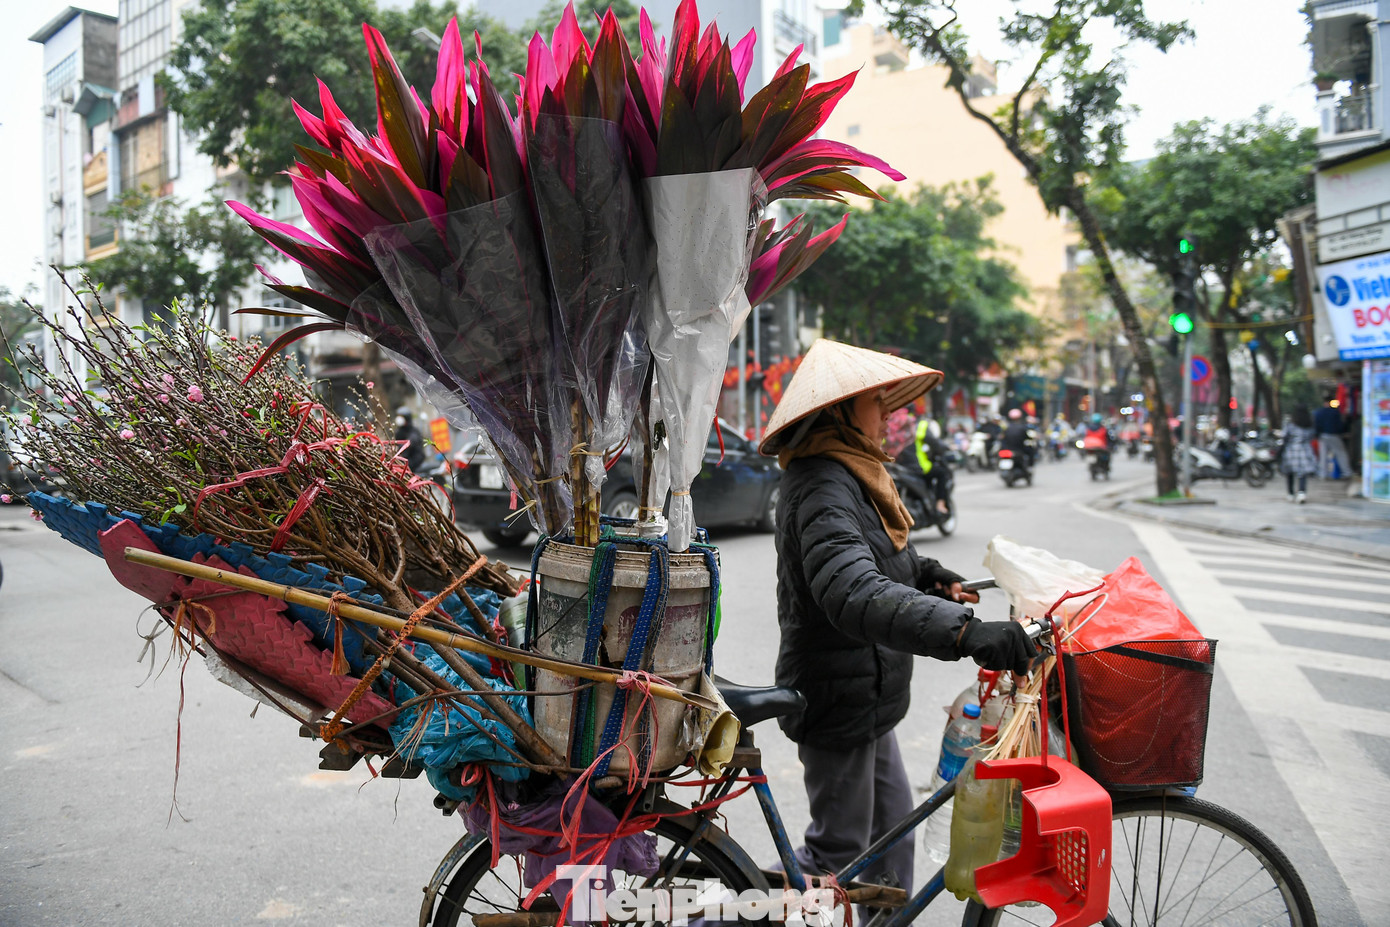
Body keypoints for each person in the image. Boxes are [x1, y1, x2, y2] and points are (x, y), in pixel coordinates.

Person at [758, 339, 1037, 898]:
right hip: (838, 697)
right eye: (876, 401)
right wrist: (966, 632)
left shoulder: (853, 472)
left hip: (868, 694)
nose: (888, 413)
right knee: (837, 852)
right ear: (839, 409)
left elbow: (878, 557)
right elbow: (852, 589)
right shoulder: (821, 482)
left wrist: (929, 575)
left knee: (891, 841)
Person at [896, 416, 952, 513]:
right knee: (942, 473)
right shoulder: (920, 425)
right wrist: (943, 449)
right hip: (917, 467)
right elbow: (934, 443)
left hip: (897, 467)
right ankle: (940, 504)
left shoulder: (894, 422)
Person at [1280, 406, 1317, 503]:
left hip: (1292, 450)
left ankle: (1290, 494)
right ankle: (1302, 493)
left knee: (1290, 472)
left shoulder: (1290, 425)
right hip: (1305, 449)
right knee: (1302, 473)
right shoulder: (1309, 425)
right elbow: (1312, 436)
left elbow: (1285, 437)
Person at [1313, 396, 1350, 480]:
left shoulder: (1319, 412)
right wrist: (1342, 432)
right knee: (1341, 454)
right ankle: (1346, 473)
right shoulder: (1335, 412)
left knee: (1323, 456)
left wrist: (1317, 435)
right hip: (1334, 435)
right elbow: (1339, 425)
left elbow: (1317, 425)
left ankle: (1323, 474)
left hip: (1322, 436)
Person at [394, 406, 427, 472]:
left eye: (401, 417)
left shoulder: (414, 432)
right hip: (404, 461)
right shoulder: (399, 432)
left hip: (415, 462)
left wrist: (399, 448)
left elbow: (410, 442)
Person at [1000, 408, 1033, 473]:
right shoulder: (1022, 427)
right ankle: (1029, 466)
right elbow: (1027, 437)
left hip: (1006, 449)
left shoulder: (1006, 427)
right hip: (1018, 450)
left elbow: (1002, 437)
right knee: (1030, 451)